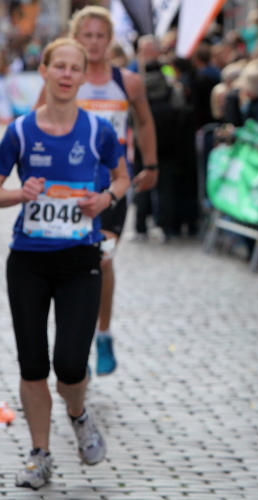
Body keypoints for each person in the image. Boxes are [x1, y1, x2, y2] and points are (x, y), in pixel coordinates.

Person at [0, 38, 130, 490]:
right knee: (33, 364)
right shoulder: (19, 132)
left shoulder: (98, 131)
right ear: (45, 70)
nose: (68, 75)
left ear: (81, 75)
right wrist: (19, 194)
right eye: (60, 66)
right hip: (28, 261)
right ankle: (39, 455)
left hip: (79, 260)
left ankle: (77, 413)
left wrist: (105, 199)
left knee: (71, 364)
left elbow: (122, 177)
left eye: (76, 68)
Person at [62, 6, 158, 376]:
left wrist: (151, 165)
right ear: (75, 38)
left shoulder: (127, 82)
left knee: (102, 260)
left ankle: (102, 334)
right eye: (86, 35)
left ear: (109, 39)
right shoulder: (66, 79)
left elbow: (144, 122)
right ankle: (76, 342)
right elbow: (38, 121)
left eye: (100, 35)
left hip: (113, 183)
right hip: (69, 187)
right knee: (73, 263)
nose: (94, 42)